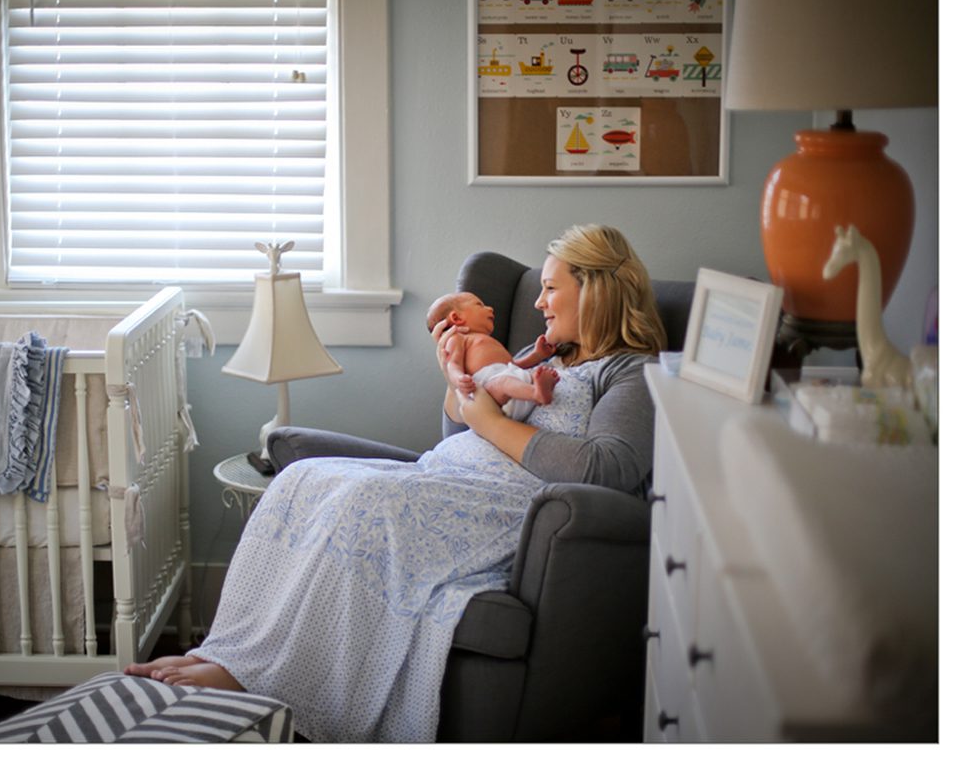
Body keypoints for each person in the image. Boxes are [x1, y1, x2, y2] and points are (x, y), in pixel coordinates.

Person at [125, 224, 667, 742]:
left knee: (368, 501)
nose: (538, 303)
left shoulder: (631, 372)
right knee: (304, 479)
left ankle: (257, 680)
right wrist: (458, 386)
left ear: (595, 291)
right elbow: (463, 422)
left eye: (551, 289)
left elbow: (608, 469)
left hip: (507, 506)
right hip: (449, 477)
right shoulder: (550, 357)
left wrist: (491, 424)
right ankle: (230, 653)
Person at [425, 290, 560, 421]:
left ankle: (537, 388)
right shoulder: (457, 338)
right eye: (479, 305)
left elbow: (512, 365)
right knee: (502, 382)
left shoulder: (487, 342)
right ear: (456, 318)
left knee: (529, 373)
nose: (490, 308)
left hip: (517, 389)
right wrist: (458, 378)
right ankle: (536, 393)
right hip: (493, 398)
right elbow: (453, 363)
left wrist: (537, 355)